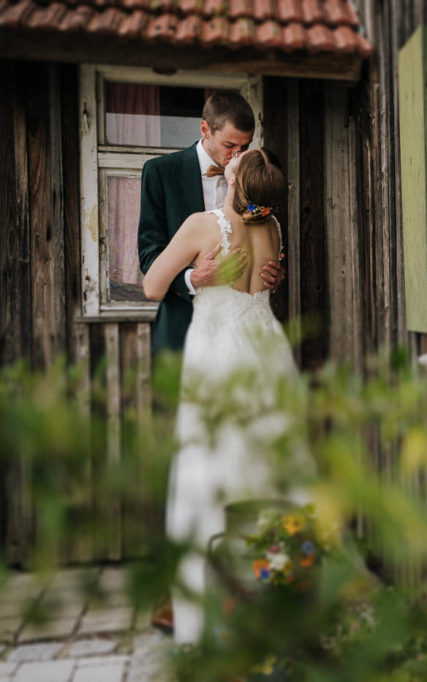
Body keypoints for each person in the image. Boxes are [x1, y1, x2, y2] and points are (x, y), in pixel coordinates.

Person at [143, 149, 311, 645]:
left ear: (235, 179)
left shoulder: (203, 225)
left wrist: (194, 278)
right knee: (267, 468)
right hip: (266, 350)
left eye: (236, 160)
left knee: (210, 471)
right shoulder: (273, 227)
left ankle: (210, 606)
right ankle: (271, 591)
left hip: (218, 353)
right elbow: (264, 283)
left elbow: (153, 286)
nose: (229, 160)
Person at [137, 91, 285, 355]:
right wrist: (192, 278)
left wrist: (272, 272)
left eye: (245, 146)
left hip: (245, 336)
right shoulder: (161, 172)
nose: (237, 155)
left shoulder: (256, 183)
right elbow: (150, 254)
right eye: (230, 145)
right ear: (205, 129)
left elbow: (262, 243)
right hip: (181, 327)